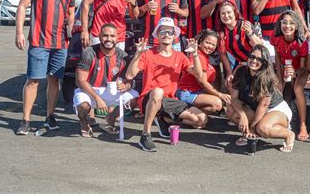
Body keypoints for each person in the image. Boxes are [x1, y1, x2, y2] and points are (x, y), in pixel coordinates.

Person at [15, 0, 76, 135]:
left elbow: (71, 11)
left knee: (54, 80)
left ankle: (50, 116)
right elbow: (22, 6)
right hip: (39, 41)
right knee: (33, 80)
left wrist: (70, 28)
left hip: (60, 43)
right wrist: (19, 32)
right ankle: (26, 119)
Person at [125, 17, 208, 152]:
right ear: (157, 35)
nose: (166, 35)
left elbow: (198, 74)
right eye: (162, 31)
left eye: (170, 32)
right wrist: (137, 55)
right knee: (158, 92)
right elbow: (129, 75)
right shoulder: (148, 54)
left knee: (201, 119)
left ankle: (164, 119)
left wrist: (195, 54)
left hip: (169, 101)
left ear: (174, 36)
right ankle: (145, 135)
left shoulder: (180, 56)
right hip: (149, 98)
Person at [226, 44, 295, 153]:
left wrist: (253, 127)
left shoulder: (267, 78)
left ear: (264, 62)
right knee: (231, 109)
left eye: (259, 59)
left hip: (275, 109)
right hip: (256, 109)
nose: (254, 61)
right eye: (252, 57)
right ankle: (249, 134)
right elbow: (234, 98)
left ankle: (288, 134)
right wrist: (243, 116)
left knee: (262, 128)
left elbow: (264, 105)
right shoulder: (240, 72)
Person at [74, 23, 139, 137]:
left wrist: (126, 86)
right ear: (99, 37)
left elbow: (130, 80)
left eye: (112, 36)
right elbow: (80, 81)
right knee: (83, 106)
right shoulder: (88, 53)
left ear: (117, 38)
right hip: (90, 91)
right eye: (105, 35)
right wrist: (97, 98)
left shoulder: (122, 56)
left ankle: (110, 118)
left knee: (134, 98)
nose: (109, 39)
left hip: (111, 91)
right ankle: (84, 123)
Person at [270, 10, 310, 141]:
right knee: (278, 87)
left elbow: (304, 67)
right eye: (284, 22)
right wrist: (279, 78)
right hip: (284, 67)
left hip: (300, 69)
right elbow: (277, 58)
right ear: (280, 24)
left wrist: (295, 73)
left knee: (297, 88)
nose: (287, 26)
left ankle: (303, 125)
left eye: (292, 23)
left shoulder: (301, 43)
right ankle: (281, 122)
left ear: (297, 25)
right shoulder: (275, 37)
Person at [175, 29, 231, 114]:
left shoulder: (205, 56)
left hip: (196, 92)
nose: (210, 46)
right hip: (187, 93)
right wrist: (220, 94)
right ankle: (182, 110)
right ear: (200, 42)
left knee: (214, 107)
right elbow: (202, 82)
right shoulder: (199, 56)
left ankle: (189, 111)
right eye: (207, 43)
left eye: (213, 45)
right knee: (217, 103)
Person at [216, 1, 263, 82]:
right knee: (230, 83)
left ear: (235, 13)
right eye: (223, 13)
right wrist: (229, 73)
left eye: (228, 12)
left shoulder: (244, 25)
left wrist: (250, 33)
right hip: (242, 63)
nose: (226, 16)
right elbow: (223, 54)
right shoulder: (221, 32)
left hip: (257, 61)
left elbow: (260, 46)